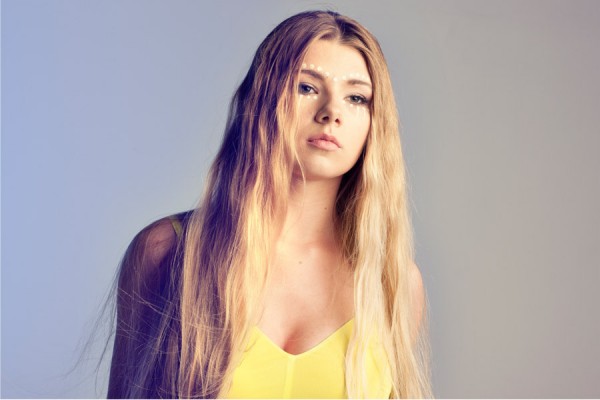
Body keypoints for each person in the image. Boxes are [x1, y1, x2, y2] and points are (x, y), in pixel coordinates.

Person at [107, 10, 431, 399]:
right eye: (306, 87)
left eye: (357, 97)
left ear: (375, 123)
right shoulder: (167, 251)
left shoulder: (394, 283)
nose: (332, 112)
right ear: (262, 98)